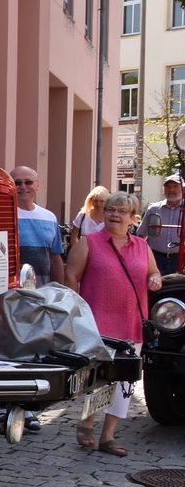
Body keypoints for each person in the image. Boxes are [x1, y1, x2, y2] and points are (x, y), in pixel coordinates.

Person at [64, 190, 160, 456]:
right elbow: (71, 276)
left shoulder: (142, 246)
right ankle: (87, 422)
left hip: (131, 324)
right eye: (110, 210)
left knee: (125, 383)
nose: (114, 215)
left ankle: (108, 436)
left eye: (121, 211)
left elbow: (153, 272)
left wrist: (155, 279)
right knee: (98, 379)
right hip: (98, 324)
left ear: (132, 218)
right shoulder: (89, 242)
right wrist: (76, 314)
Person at [12, 166, 65, 287]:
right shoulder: (2, 216)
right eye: (17, 183)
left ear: (37, 185)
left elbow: (55, 259)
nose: (23, 187)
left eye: (28, 182)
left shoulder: (49, 217)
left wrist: (60, 290)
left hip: (43, 293)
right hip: (11, 295)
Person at [137, 174, 185, 276]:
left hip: (181, 260)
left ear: (182, 188)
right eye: (168, 186)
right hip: (156, 259)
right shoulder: (153, 209)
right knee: (156, 289)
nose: (171, 189)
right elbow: (141, 236)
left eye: (175, 186)